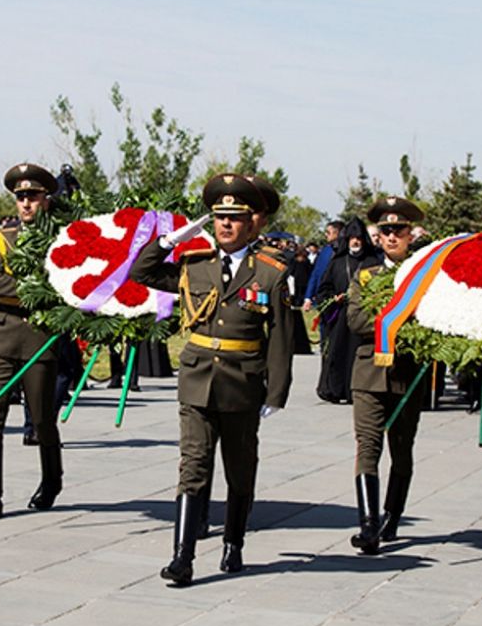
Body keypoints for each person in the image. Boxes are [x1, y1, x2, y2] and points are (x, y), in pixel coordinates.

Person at [130, 173, 294, 586]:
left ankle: (233, 543)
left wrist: (277, 391)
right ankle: (182, 558)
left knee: (239, 471)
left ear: (250, 223)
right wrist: (167, 242)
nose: (225, 225)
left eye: (234, 217)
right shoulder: (194, 265)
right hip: (198, 379)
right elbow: (141, 272)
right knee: (194, 467)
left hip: (243, 383)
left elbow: (281, 340)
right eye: (218, 217)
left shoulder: (270, 274)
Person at [0, 163, 64, 520]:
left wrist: (42, 293)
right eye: (21, 197)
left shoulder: (61, 242)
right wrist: (37, 291)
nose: (26, 203)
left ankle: (51, 480)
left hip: (38, 339)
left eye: (33, 196)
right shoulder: (3, 239)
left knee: (42, 419)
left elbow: (66, 284)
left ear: (46, 200)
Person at [345, 196, 426, 555]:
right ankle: (368, 525)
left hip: (407, 375)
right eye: (386, 231)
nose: (392, 237)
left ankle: (392, 516)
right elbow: (356, 321)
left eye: (399, 231)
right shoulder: (366, 276)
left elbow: (432, 324)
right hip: (369, 374)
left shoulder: (424, 277)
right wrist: (395, 318)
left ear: (411, 235)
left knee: (402, 450)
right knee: (368, 448)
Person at [315, 217, 380, 404]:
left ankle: (356, 391)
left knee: (358, 354)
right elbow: (323, 289)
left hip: (362, 317)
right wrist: (333, 298)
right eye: (352, 238)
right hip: (340, 316)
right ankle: (335, 389)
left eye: (359, 237)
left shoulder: (372, 262)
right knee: (337, 353)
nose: (356, 241)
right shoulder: (337, 262)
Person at [302, 220, 344, 313]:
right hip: (322, 298)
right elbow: (316, 274)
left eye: (328, 232)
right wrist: (308, 297)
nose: (326, 235)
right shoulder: (325, 251)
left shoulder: (346, 252)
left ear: (337, 233)